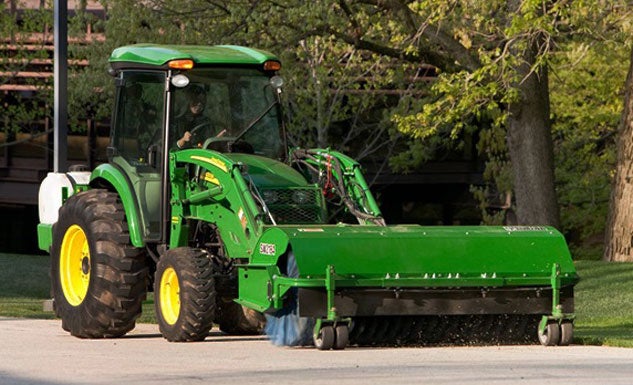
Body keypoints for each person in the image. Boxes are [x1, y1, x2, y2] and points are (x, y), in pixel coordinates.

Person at [174, 85, 213, 149]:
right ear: (187, 101)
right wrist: (183, 140)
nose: (199, 104)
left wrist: (216, 139)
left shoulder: (207, 123)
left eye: (202, 101)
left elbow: (209, 144)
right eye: (195, 100)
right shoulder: (177, 123)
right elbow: (168, 148)